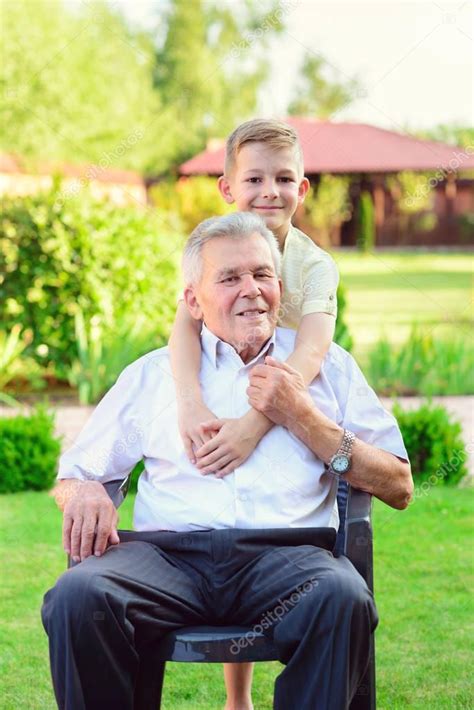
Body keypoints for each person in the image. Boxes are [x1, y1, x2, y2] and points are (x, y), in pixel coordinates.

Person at [42, 212, 413, 710]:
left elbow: (398, 484)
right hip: (168, 560)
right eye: (230, 278)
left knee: (341, 597)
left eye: (262, 275)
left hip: (289, 559)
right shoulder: (155, 375)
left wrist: (305, 419)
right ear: (193, 300)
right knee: (78, 596)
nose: (252, 290)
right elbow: (74, 475)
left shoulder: (329, 369)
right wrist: (83, 491)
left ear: (280, 286)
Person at [169, 119, 339, 708]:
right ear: (227, 188)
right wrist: (191, 401)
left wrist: (256, 424)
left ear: (303, 188)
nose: (270, 190)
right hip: (225, 368)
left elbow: (311, 352)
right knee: (228, 505)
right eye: (256, 178)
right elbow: (183, 331)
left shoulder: (313, 267)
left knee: (271, 494)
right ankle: (236, 696)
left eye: (284, 178)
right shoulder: (211, 247)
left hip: (293, 384)